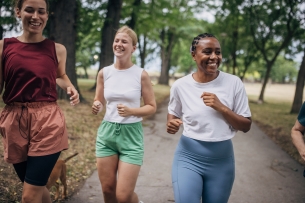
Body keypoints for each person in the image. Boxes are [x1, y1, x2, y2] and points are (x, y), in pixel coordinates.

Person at [0, 0, 79, 202]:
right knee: (35, 187)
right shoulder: (4, 47)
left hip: (47, 122)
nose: (36, 16)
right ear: (18, 12)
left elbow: (59, 75)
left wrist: (70, 87)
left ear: (46, 15)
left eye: (41, 12)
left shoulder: (57, 49)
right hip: (14, 122)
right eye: (29, 10)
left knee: (28, 196)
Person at [167, 33, 252, 203]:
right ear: (193, 55)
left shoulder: (234, 83)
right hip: (188, 157)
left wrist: (221, 108)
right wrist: (171, 123)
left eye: (218, 52)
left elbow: (246, 125)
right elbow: (173, 114)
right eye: (207, 51)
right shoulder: (180, 86)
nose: (214, 57)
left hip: (222, 161)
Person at [92, 25, 156, 203]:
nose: (119, 44)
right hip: (107, 134)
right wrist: (97, 105)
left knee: (123, 195)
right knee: (108, 191)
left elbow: (151, 106)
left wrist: (132, 111)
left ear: (133, 48)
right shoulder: (104, 73)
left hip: (131, 135)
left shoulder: (141, 75)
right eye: (117, 40)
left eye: (124, 41)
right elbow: (99, 99)